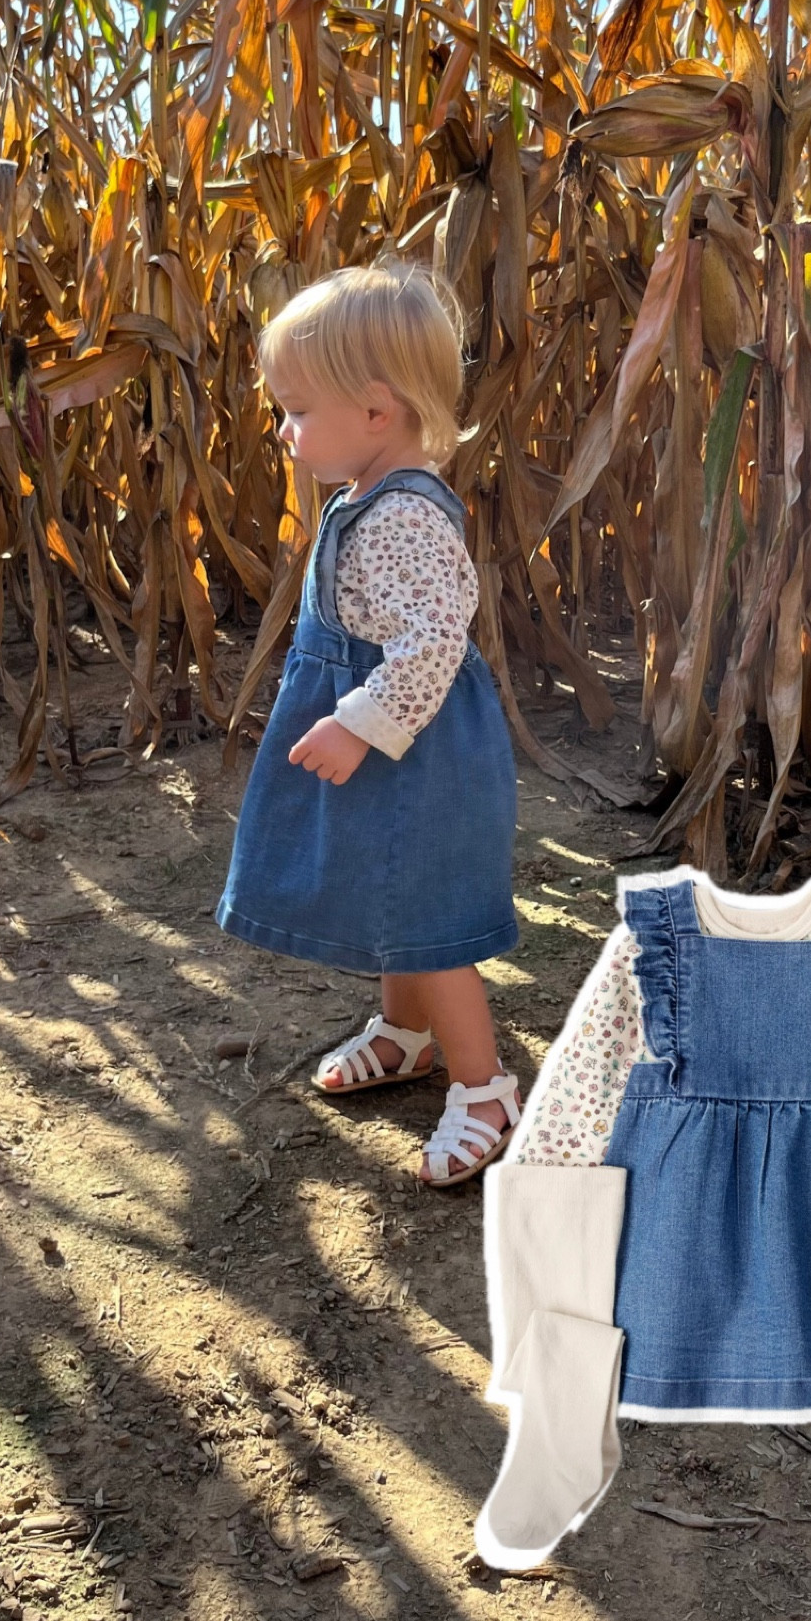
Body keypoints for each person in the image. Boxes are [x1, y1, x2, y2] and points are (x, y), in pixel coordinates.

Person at [216, 258, 522, 1186]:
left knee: (432, 921)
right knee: (389, 900)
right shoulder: (366, 497)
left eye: (298, 409)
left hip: (417, 755)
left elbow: (432, 642)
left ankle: (483, 1087)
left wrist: (358, 722)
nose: (284, 428)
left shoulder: (403, 519)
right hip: (394, 750)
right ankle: (407, 1033)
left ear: (378, 411)